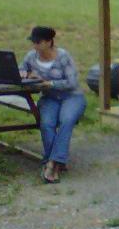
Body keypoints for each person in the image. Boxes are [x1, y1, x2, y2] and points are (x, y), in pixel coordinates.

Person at [19, 26, 86, 183]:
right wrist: (25, 74)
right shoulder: (31, 56)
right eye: (32, 41)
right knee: (46, 123)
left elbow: (72, 82)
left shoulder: (63, 57)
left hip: (72, 96)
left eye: (38, 42)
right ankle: (56, 162)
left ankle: (51, 163)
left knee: (66, 120)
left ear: (49, 42)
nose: (34, 45)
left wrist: (49, 83)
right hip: (49, 97)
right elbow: (21, 69)